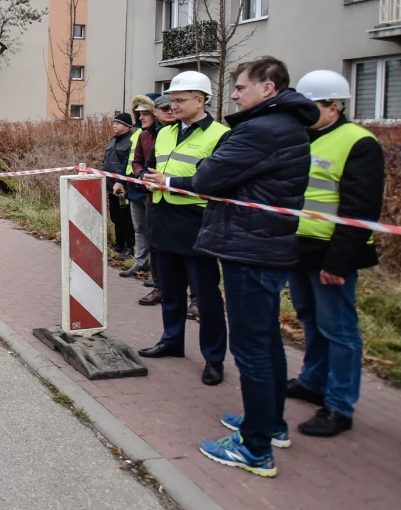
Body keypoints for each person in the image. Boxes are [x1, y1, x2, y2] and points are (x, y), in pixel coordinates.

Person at [156, 58, 317, 478]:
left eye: (241, 87)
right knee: (265, 343)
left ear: (267, 88)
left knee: (251, 349)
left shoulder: (261, 130)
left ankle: (255, 448)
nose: (234, 94)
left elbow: (208, 177)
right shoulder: (284, 126)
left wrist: (202, 176)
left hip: (251, 247)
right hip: (264, 243)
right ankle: (269, 424)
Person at [288, 70, 385, 438]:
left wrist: (338, 263)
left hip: (332, 255)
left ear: (332, 107)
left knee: (339, 330)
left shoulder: (359, 143)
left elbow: (360, 209)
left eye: (310, 108)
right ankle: (313, 381)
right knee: (310, 321)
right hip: (301, 248)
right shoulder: (306, 138)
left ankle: (340, 405)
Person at [138, 71, 229, 389]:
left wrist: (171, 183)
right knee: (171, 290)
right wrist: (146, 178)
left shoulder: (220, 135)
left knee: (205, 296)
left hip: (196, 222)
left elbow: (217, 182)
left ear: (201, 100)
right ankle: (172, 340)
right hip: (162, 219)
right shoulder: (164, 132)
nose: (172, 105)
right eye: (171, 100)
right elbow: (151, 166)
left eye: (179, 100)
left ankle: (214, 358)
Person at [137, 94, 174, 306]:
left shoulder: (188, 132)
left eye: (174, 105)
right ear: (157, 112)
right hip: (155, 198)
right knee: (155, 244)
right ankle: (159, 287)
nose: (171, 110)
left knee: (192, 254)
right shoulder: (149, 135)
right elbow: (140, 162)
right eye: (165, 107)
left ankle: (195, 297)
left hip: (189, 203)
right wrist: (143, 177)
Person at [119, 95, 156, 279]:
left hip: (151, 190)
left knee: (154, 230)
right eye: (138, 114)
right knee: (139, 228)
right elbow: (130, 160)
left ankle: (157, 271)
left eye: (145, 113)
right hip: (134, 188)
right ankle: (141, 262)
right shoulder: (137, 135)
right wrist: (122, 181)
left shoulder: (160, 135)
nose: (141, 117)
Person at [101, 112, 137, 259]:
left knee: (126, 218)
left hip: (124, 189)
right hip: (111, 187)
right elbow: (105, 162)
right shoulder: (112, 142)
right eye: (114, 123)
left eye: (118, 123)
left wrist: (123, 182)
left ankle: (130, 248)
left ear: (127, 126)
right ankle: (119, 245)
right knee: (115, 217)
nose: (114, 125)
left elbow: (130, 165)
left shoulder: (131, 142)